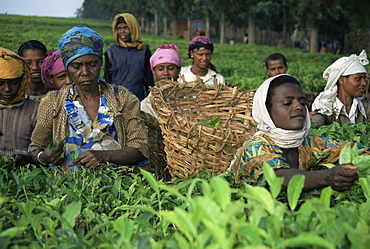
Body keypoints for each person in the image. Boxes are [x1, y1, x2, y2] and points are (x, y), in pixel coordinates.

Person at [29, 25, 150, 173]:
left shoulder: (122, 98)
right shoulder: (53, 102)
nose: (85, 72)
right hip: (69, 189)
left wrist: (105, 156)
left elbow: (140, 148)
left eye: (92, 64)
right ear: (67, 68)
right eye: (76, 66)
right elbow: (35, 148)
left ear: (100, 63)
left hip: (119, 188)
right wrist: (44, 157)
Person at [231, 74, 363, 192]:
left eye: (302, 102)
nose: (299, 107)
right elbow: (279, 177)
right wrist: (327, 177)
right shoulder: (256, 148)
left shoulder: (306, 144)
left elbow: (351, 149)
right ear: (266, 111)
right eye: (287, 103)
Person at [0, 47, 39, 166]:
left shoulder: (37, 109)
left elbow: (44, 149)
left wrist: (28, 159)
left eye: (14, 83)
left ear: (23, 81)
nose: (7, 89)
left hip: (27, 174)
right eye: (0, 83)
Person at [311, 50, 369, 128]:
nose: (364, 83)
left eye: (364, 78)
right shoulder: (325, 108)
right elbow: (316, 129)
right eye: (358, 78)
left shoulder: (366, 107)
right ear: (341, 80)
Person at [104, 13, 154, 101]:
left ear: (133, 28)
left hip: (138, 100)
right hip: (117, 102)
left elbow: (148, 80)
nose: (122, 31)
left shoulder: (143, 50)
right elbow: (107, 80)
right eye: (119, 28)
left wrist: (151, 99)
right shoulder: (110, 52)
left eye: (126, 28)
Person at [141, 44, 182, 119]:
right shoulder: (146, 104)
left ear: (178, 70)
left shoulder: (189, 97)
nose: (165, 72)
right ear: (154, 72)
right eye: (160, 69)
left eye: (171, 68)